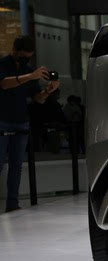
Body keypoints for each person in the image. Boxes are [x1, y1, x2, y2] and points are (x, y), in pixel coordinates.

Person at [0, 36, 60, 212]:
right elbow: (4, 84)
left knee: (17, 166)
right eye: (23, 55)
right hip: (2, 120)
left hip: (21, 121)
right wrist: (31, 76)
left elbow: (38, 98)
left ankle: (12, 204)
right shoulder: (3, 64)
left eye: (29, 56)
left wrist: (48, 90)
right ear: (15, 50)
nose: (26, 59)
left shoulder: (29, 70)